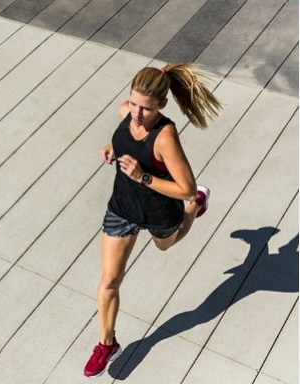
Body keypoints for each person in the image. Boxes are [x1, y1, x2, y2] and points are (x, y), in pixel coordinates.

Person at [83, 63, 222, 378]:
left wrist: (143, 176)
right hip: (123, 207)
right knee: (109, 281)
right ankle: (107, 343)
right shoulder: (126, 112)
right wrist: (111, 147)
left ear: (162, 105)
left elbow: (184, 186)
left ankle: (197, 206)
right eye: (133, 103)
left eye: (145, 108)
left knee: (166, 245)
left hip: (160, 210)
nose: (136, 113)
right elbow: (123, 137)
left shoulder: (165, 136)